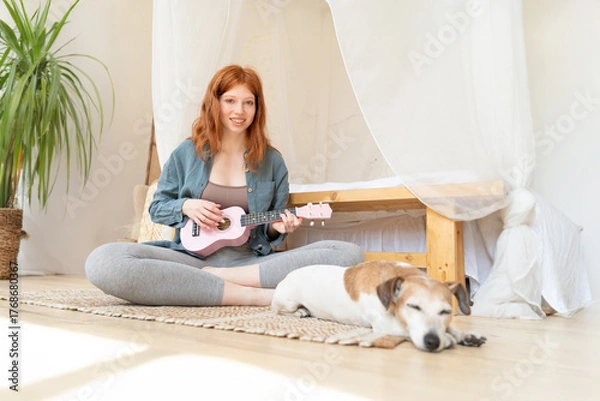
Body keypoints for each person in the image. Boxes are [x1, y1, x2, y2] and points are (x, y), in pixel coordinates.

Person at [85, 65, 364, 307]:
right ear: (215, 103)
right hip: (190, 260)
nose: (239, 111)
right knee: (104, 261)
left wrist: (277, 227)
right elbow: (158, 207)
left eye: (248, 103)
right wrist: (186, 205)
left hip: (249, 264)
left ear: (257, 107)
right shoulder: (186, 153)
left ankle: (220, 284)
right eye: (230, 100)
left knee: (348, 254)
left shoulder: (273, 162)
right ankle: (257, 298)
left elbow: (269, 229)